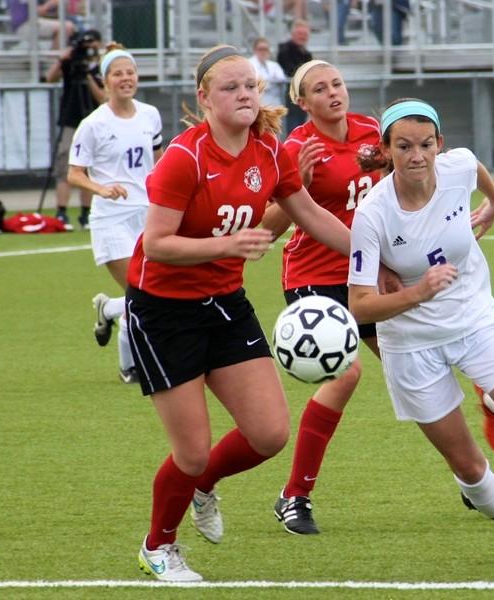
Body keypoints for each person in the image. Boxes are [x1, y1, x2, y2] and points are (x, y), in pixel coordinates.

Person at [126, 45, 352, 582]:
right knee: (192, 452)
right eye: (231, 87)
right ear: (204, 98)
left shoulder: (270, 151)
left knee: (269, 433)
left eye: (251, 85)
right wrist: (225, 246)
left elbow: (311, 214)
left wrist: (378, 263)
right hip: (163, 312)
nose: (245, 94)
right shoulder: (185, 157)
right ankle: (158, 546)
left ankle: (205, 488)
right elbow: (156, 245)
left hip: (225, 305)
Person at [348, 97, 494, 563]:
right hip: (410, 346)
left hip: (476, 322)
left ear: (439, 144)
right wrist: (417, 293)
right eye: (403, 146)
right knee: (464, 462)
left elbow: (479, 173)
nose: (417, 155)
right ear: (386, 150)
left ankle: (490, 393)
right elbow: (360, 307)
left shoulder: (458, 166)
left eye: (425, 144)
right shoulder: (372, 214)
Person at [259, 59, 382, 535]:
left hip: (369, 273)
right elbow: (269, 230)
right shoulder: (293, 149)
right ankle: (295, 495)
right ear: (302, 102)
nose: (333, 93)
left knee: (417, 368)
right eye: (319, 88)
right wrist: (301, 187)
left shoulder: (373, 131)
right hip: (314, 273)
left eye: (337, 83)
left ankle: (470, 477)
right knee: (346, 372)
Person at [66, 43, 163, 384]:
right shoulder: (93, 124)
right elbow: (74, 173)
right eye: (118, 74)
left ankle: (108, 309)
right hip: (111, 218)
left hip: (148, 216)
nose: (126, 78)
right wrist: (102, 189)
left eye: (130, 72)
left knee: (150, 294)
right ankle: (129, 365)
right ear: (106, 82)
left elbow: (159, 161)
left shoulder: (150, 114)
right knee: (143, 294)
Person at [45, 28, 104, 229]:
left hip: (93, 123)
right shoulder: (71, 64)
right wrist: (63, 59)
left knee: (87, 169)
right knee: (65, 166)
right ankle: (61, 211)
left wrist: (88, 74)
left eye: (92, 43)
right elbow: (49, 78)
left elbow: (102, 98)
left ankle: (85, 214)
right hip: (70, 121)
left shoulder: (101, 69)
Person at [277, 19, 312, 134]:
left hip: (303, 96)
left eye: (305, 34)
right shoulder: (285, 50)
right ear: (292, 34)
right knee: (294, 130)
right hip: (290, 97)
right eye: (299, 34)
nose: (302, 37)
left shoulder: (307, 53)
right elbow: (290, 70)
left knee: (302, 128)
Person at [8, 0, 75, 49]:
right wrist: (52, 3)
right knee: (67, 27)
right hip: (24, 26)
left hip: (28, 23)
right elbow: (38, 11)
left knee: (69, 25)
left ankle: (53, 61)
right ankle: (53, 62)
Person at [247, 36, 287, 108]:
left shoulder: (274, 65)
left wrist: (267, 82)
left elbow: (282, 79)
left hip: (275, 103)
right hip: (257, 104)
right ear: (255, 50)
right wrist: (271, 81)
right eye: (260, 49)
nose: (263, 52)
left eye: (266, 49)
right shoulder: (248, 64)